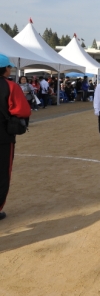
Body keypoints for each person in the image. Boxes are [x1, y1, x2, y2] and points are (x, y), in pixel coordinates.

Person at [0, 56, 32, 221]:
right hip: (3, 136)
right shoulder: (10, 86)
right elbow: (23, 111)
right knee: (2, 172)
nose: (10, 70)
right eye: (9, 67)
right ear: (5, 69)